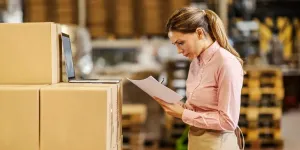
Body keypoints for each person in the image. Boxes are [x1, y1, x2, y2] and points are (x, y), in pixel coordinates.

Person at [153, 7, 244, 150]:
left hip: (218, 144)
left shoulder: (226, 63)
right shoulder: (196, 63)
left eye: (181, 43)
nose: (178, 50)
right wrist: (177, 105)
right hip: (197, 142)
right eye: (175, 44)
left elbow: (228, 121)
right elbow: (199, 109)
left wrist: (183, 113)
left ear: (200, 33)